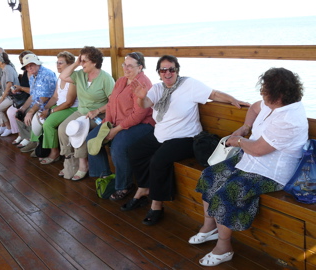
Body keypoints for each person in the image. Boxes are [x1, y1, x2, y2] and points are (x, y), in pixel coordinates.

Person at [191, 67, 308, 267]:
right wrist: (245, 127)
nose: (261, 93)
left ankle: (224, 247)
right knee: (209, 175)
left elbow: (259, 149)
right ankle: (209, 226)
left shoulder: (290, 119)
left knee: (227, 192)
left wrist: (237, 141)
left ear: (279, 95)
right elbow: (255, 107)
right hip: (250, 159)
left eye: (265, 90)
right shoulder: (272, 104)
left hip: (271, 172)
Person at [123, 55, 249, 225]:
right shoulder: (158, 88)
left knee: (158, 160)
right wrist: (140, 97)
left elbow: (212, 93)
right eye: (163, 70)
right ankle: (145, 187)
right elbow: (146, 103)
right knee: (134, 151)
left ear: (177, 71)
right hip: (160, 135)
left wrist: (232, 99)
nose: (167, 73)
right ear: (159, 73)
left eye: (171, 69)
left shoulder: (188, 85)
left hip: (185, 137)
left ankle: (156, 205)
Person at [86, 52, 155, 200]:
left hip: (142, 125)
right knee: (92, 138)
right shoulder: (121, 80)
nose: (126, 68)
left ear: (140, 67)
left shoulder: (143, 83)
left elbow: (139, 115)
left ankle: (124, 185)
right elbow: (111, 104)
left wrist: (116, 130)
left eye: (130, 66)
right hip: (118, 122)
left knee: (118, 146)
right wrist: (107, 125)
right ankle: (106, 175)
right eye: (124, 64)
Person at [58, 46, 115, 180]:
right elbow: (63, 76)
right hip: (81, 112)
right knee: (62, 128)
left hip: (98, 115)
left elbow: (113, 102)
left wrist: (98, 110)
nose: (81, 63)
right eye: (80, 60)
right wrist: (76, 63)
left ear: (94, 62)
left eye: (84, 61)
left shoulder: (106, 78)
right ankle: (71, 161)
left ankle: (83, 165)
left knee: (80, 129)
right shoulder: (80, 75)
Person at [30, 51, 78, 164]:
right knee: (37, 116)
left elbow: (69, 103)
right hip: (60, 105)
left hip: (71, 108)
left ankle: (55, 152)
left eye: (61, 63)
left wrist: (50, 111)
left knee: (48, 123)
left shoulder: (73, 79)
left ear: (70, 65)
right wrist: (44, 108)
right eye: (57, 62)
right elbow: (55, 97)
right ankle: (40, 148)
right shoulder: (60, 78)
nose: (58, 65)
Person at [17, 53, 57, 153]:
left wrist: (31, 111)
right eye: (27, 66)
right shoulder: (33, 77)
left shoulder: (47, 74)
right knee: (18, 113)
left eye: (32, 65)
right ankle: (30, 139)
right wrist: (22, 108)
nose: (29, 68)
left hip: (48, 105)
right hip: (38, 104)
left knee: (32, 114)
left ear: (38, 64)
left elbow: (45, 97)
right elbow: (33, 96)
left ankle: (36, 142)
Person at [0, 52, 19, 136]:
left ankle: (8, 128)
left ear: (1, 61)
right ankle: (2, 126)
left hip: (13, 96)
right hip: (6, 95)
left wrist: (1, 99)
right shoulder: (4, 69)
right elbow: (2, 84)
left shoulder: (8, 69)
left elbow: (9, 85)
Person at [7, 50, 32, 145]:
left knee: (16, 112)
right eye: (22, 63)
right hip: (24, 96)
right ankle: (21, 134)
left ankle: (27, 136)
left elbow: (32, 91)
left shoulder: (32, 73)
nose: (25, 66)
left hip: (30, 98)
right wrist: (17, 89)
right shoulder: (26, 72)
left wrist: (21, 88)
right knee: (10, 111)